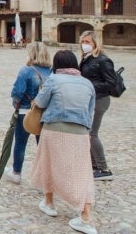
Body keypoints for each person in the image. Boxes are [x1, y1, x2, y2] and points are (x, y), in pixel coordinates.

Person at [30, 50, 97, 234]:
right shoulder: (87, 84)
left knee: (48, 164)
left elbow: (40, 103)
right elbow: (90, 110)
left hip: (54, 129)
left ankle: (49, 203)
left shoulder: (53, 80)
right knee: (82, 172)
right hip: (80, 132)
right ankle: (86, 216)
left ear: (56, 64)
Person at [2, 42, 52, 184]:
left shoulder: (26, 70)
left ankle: (16, 172)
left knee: (20, 143)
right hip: (45, 113)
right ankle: (44, 175)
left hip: (26, 112)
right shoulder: (51, 72)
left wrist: (15, 104)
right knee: (41, 145)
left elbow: (18, 92)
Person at [79, 30, 116, 181]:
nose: (84, 45)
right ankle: (93, 165)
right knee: (88, 132)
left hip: (100, 99)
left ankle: (103, 168)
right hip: (90, 99)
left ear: (95, 43)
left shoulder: (102, 60)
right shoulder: (86, 58)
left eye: (88, 42)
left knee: (92, 133)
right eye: (83, 42)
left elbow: (110, 82)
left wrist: (89, 85)